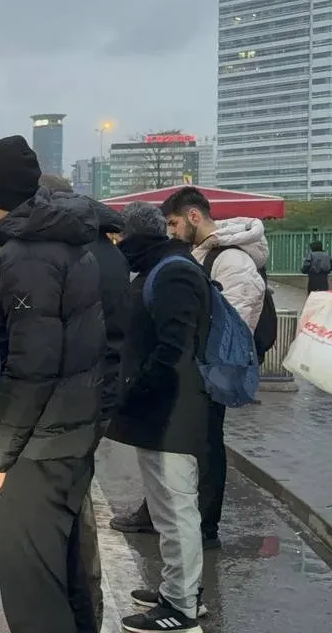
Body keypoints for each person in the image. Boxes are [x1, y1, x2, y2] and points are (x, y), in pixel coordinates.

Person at [0, 135, 104, 633]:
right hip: (65, 441)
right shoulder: (64, 246)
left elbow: (31, 368)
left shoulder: (27, 258)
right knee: (66, 583)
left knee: (34, 603)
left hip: (32, 455)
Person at [114, 186, 269, 548]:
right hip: (193, 367)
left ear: (193, 216)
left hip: (209, 369)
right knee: (175, 451)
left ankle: (203, 527)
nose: (169, 231)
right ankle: (160, 514)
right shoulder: (200, 253)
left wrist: (205, 366)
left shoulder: (231, 260)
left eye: (173, 223)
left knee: (206, 447)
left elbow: (232, 321)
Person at [106, 202, 210, 633]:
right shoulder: (162, 267)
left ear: (135, 236)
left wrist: (139, 388)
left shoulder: (172, 273)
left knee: (174, 508)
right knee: (168, 509)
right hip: (163, 410)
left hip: (171, 412)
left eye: (121, 237)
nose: (118, 245)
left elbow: (174, 349)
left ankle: (181, 606)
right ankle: (179, 589)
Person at [39, 174, 131, 631]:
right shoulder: (105, 250)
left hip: (76, 400)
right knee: (77, 505)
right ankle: (85, 609)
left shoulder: (75, 255)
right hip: (98, 394)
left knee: (69, 516)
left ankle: (80, 610)